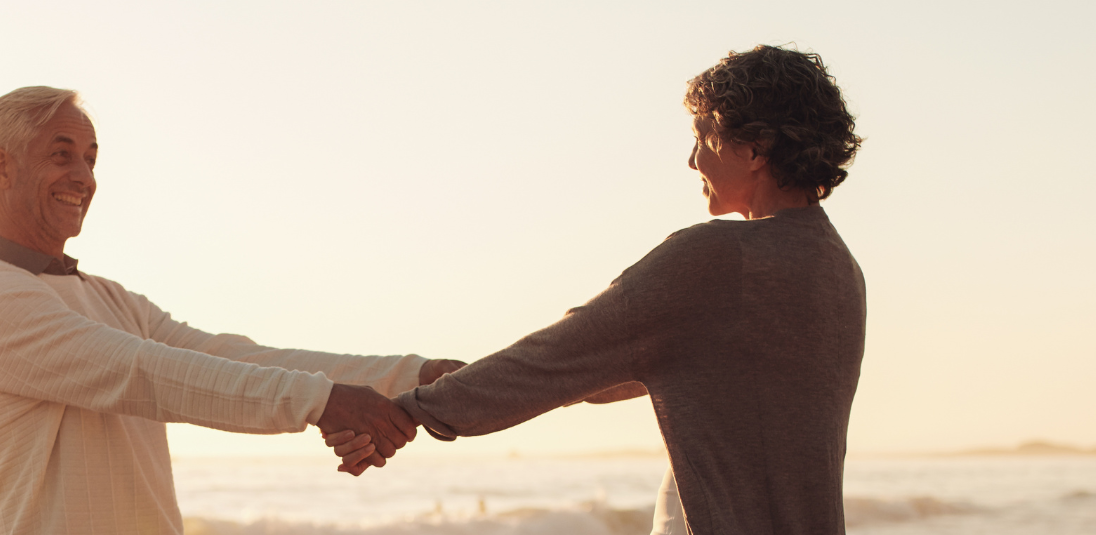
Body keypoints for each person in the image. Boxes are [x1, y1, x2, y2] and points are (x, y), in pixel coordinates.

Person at [327, 45, 867, 535]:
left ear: (755, 149)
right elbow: (603, 373)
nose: (692, 160)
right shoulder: (840, 271)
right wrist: (480, 381)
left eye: (703, 138)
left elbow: (557, 360)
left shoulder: (717, 258)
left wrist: (408, 411)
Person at [0, 86, 465, 534]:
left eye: (91, 158)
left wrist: (413, 376)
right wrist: (322, 402)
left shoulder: (110, 298)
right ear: (2, 166)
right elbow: (147, 374)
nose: (84, 176)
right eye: (62, 155)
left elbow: (235, 356)